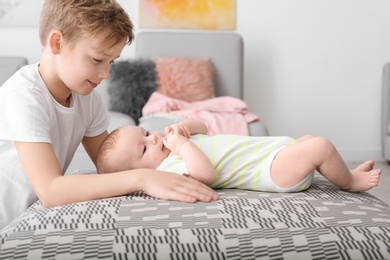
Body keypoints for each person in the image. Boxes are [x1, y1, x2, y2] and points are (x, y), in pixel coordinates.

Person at [0, 0, 217, 231]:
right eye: (97, 60)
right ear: (57, 43)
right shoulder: (24, 96)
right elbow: (51, 190)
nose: (106, 74)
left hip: (30, 218)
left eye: (111, 61)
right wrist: (144, 178)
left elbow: (112, 165)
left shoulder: (87, 98)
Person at [97, 119, 382, 193]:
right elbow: (205, 176)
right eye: (144, 148)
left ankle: (343, 172)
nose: (153, 138)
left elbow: (205, 129)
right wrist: (183, 146)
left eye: (146, 132)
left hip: (275, 151)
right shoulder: (170, 168)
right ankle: (349, 182)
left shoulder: (175, 144)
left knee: (306, 140)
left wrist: (186, 128)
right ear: (139, 171)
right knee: (320, 146)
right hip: (271, 171)